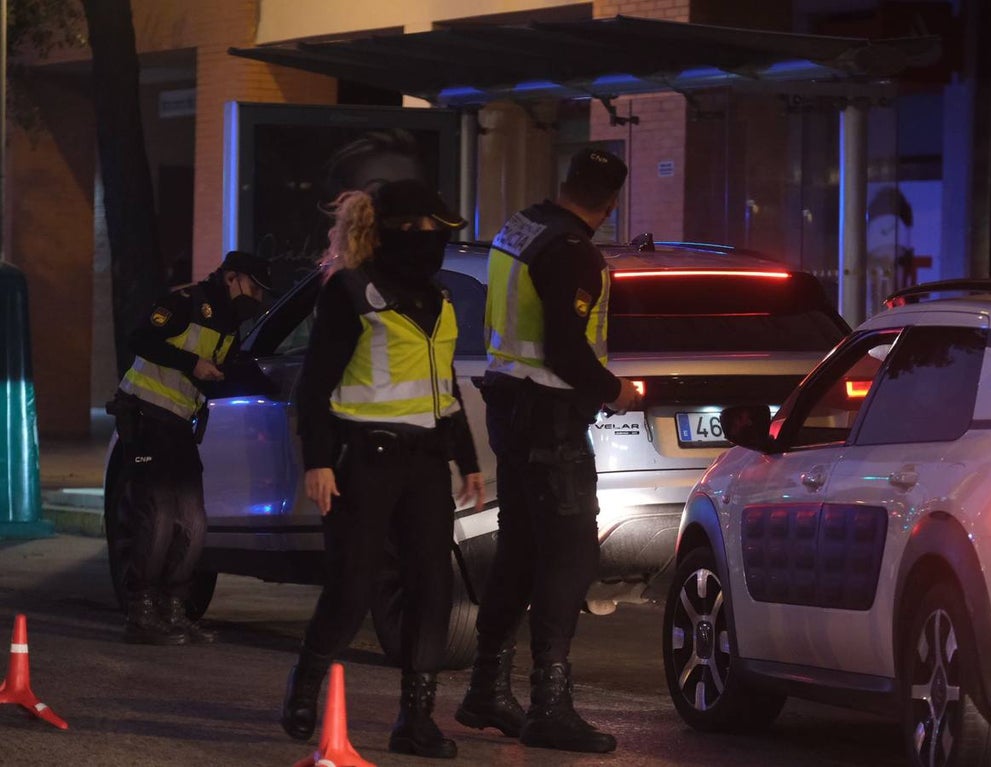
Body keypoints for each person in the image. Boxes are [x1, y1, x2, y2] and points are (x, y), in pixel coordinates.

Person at [279, 178, 484, 760]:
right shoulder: (350, 291)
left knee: (432, 590)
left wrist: (467, 462)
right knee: (351, 588)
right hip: (362, 461)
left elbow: (445, 391)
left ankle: (415, 722)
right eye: (428, 229)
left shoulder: (439, 301)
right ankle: (306, 685)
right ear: (396, 229)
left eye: (441, 233)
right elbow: (313, 386)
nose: (436, 241)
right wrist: (317, 460)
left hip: (424, 464)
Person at [454, 148, 642, 754]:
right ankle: (549, 706)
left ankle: (487, 687)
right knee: (569, 558)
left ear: (567, 183)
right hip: (551, 420)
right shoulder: (573, 253)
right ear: (609, 204)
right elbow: (564, 346)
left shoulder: (521, 226)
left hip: (511, 409)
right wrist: (616, 391)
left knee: (520, 550)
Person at [109, 250, 271, 645]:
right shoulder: (184, 303)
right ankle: (141, 611)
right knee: (159, 513)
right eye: (253, 287)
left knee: (193, 519)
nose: (257, 297)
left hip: (178, 425)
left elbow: (228, 371)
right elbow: (141, 339)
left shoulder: (231, 326)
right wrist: (191, 363)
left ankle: (173, 609)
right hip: (145, 416)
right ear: (231, 278)